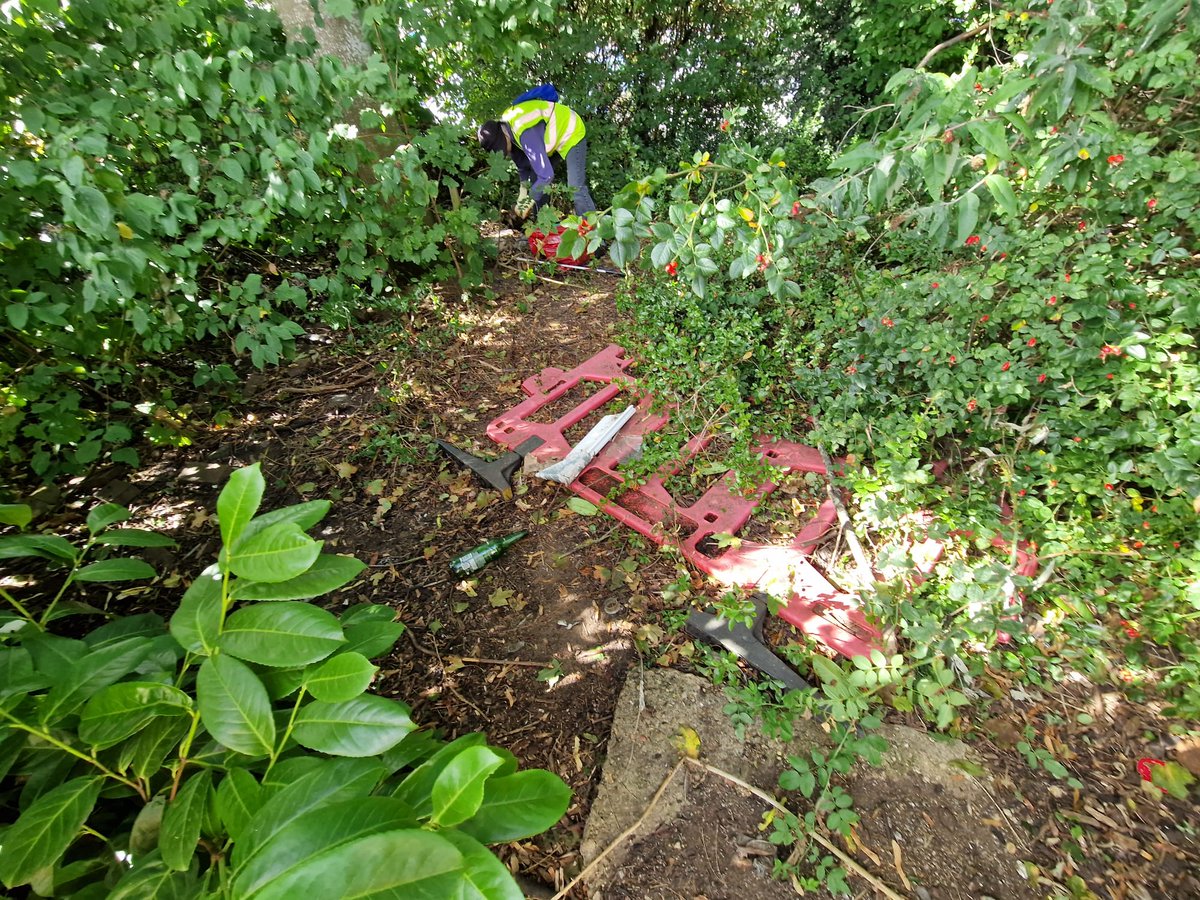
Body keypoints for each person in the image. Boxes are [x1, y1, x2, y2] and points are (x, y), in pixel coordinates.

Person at [478, 98, 596, 219]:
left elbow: (546, 176)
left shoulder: (525, 132)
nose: (506, 153)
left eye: (503, 148)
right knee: (536, 181)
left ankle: (592, 229)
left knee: (575, 187)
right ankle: (543, 226)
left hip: (570, 129)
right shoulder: (508, 130)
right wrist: (523, 193)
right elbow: (523, 168)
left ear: (503, 137)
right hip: (552, 139)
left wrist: (528, 201)